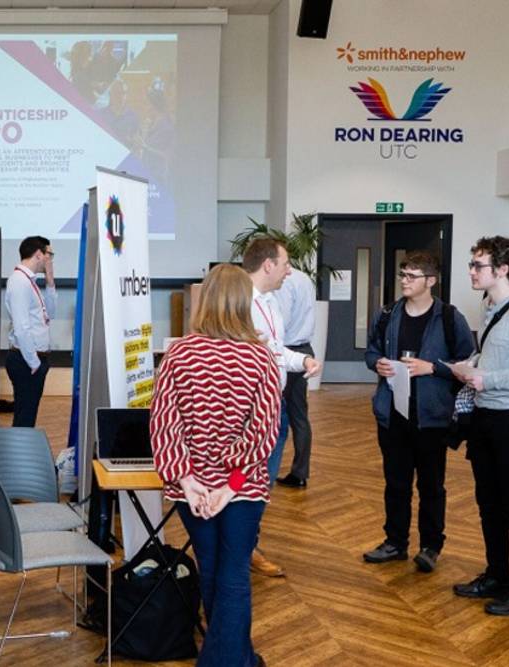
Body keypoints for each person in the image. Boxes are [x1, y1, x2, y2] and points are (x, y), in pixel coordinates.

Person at [151, 263, 280, 667]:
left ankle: (236, 659)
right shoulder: (261, 359)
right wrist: (231, 484)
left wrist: (188, 481)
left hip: (195, 490)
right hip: (241, 488)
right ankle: (234, 661)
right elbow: (263, 431)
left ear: (204, 299)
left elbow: (163, 421)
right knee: (234, 575)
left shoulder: (178, 354)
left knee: (212, 571)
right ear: (244, 302)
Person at [362, 251, 474, 572]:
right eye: (403, 275)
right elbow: (371, 351)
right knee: (395, 483)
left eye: (412, 276)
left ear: (431, 281)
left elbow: (467, 365)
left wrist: (432, 368)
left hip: (432, 418)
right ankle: (395, 542)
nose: (404, 281)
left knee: (431, 485)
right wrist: (377, 364)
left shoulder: (451, 319)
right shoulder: (386, 315)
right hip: (392, 413)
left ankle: (430, 546)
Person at [450, 236, 509, 616]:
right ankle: (497, 574)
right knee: (488, 502)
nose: (471, 271)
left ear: (502, 270)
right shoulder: (489, 306)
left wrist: (488, 379)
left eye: (478, 265)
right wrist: (470, 367)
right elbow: (498, 355)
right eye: (472, 264)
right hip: (485, 417)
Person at [243, 237, 322, 578]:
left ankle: (249, 544)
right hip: (250, 413)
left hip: (274, 407)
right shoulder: (239, 302)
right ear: (268, 265)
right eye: (286, 263)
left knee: (264, 482)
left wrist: (301, 359)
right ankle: (241, 547)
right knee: (249, 482)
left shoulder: (272, 301)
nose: (291, 270)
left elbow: (274, 348)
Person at [4, 236, 56, 427]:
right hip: (26, 361)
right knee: (24, 419)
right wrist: (34, 363)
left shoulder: (30, 281)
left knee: (27, 416)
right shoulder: (19, 281)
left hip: (33, 360)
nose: (50, 259)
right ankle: (18, 456)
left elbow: (50, 313)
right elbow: (21, 328)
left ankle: (20, 454)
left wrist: (50, 282)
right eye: (49, 254)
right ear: (38, 254)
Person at [274, 267, 317, 488]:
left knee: (276, 414)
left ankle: (268, 472)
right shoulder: (305, 278)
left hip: (287, 351)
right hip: (305, 348)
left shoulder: (285, 281)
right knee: (300, 414)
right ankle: (300, 472)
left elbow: (281, 320)